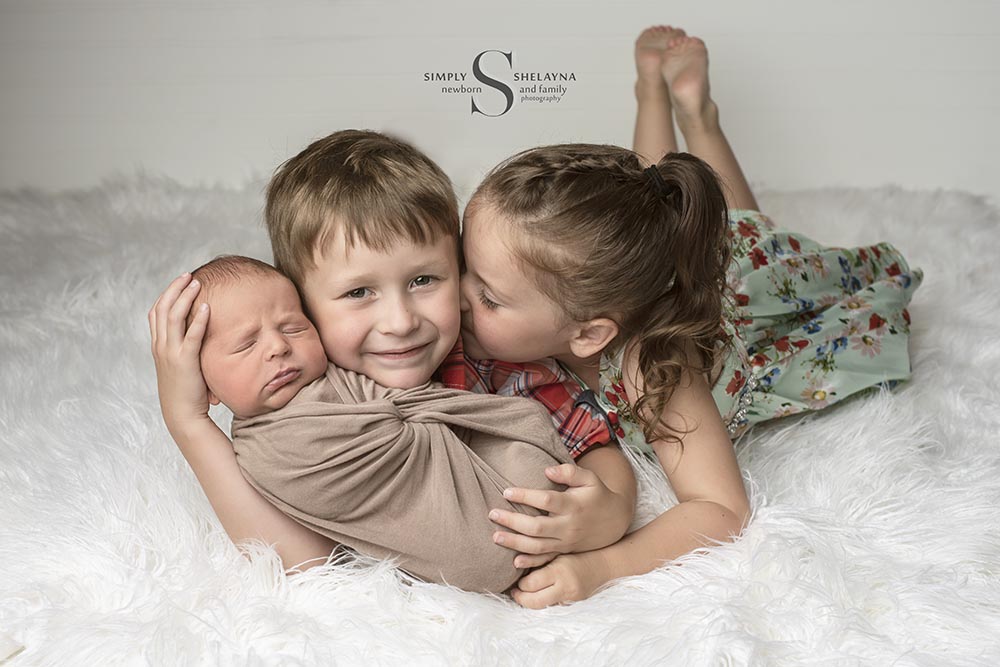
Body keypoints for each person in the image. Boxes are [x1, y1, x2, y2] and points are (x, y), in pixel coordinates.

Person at [460, 25, 923, 607]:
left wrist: (606, 567)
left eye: (490, 297)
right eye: (464, 267)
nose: (456, 297)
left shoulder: (654, 371)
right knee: (652, 191)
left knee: (751, 233)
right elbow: (647, 197)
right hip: (661, 261)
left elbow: (723, 508)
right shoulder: (578, 289)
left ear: (588, 335)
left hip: (755, 308)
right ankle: (653, 95)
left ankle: (700, 117)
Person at [148, 131, 637, 588]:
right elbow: (300, 560)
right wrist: (188, 422)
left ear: (458, 267)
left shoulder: (492, 359)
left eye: (424, 280)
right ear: (303, 301)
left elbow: (593, 443)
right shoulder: (298, 396)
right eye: (359, 292)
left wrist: (611, 511)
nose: (400, 322)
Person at [156, 253, 575, 592]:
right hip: (484, 550)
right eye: (246, 344)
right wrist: (188, 419)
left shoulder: (347, 377)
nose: (278, 348)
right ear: (205, 383)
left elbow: (428, 409)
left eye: (293, 327)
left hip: (517, 494)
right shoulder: (252, 454)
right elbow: (307, 565)